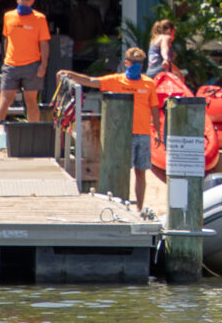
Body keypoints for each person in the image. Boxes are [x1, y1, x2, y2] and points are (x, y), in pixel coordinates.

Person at [62, 47, 155, 205]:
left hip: (143, 133)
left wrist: (158, 133)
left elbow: (153, 107)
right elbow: (91, 81)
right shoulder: (116, 80)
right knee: (122, 171)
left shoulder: (149, 83)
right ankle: (121, 202)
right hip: (123, 134)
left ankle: (140, 207)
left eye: (140, 62)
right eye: (134, 63)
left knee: (141, 172)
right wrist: (70, 74)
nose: (137, 65)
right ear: (126, 63)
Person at [0, 0, 49, 141]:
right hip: (11, 65)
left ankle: (32, 137)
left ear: (32, 1)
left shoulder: (39, 18)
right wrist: (6, 59)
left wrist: (43, 65)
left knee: (31, 101)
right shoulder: (8, 16)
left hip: (32, 64)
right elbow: (6, 38)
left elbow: (44, 43)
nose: (24, 1)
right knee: (4, 101)